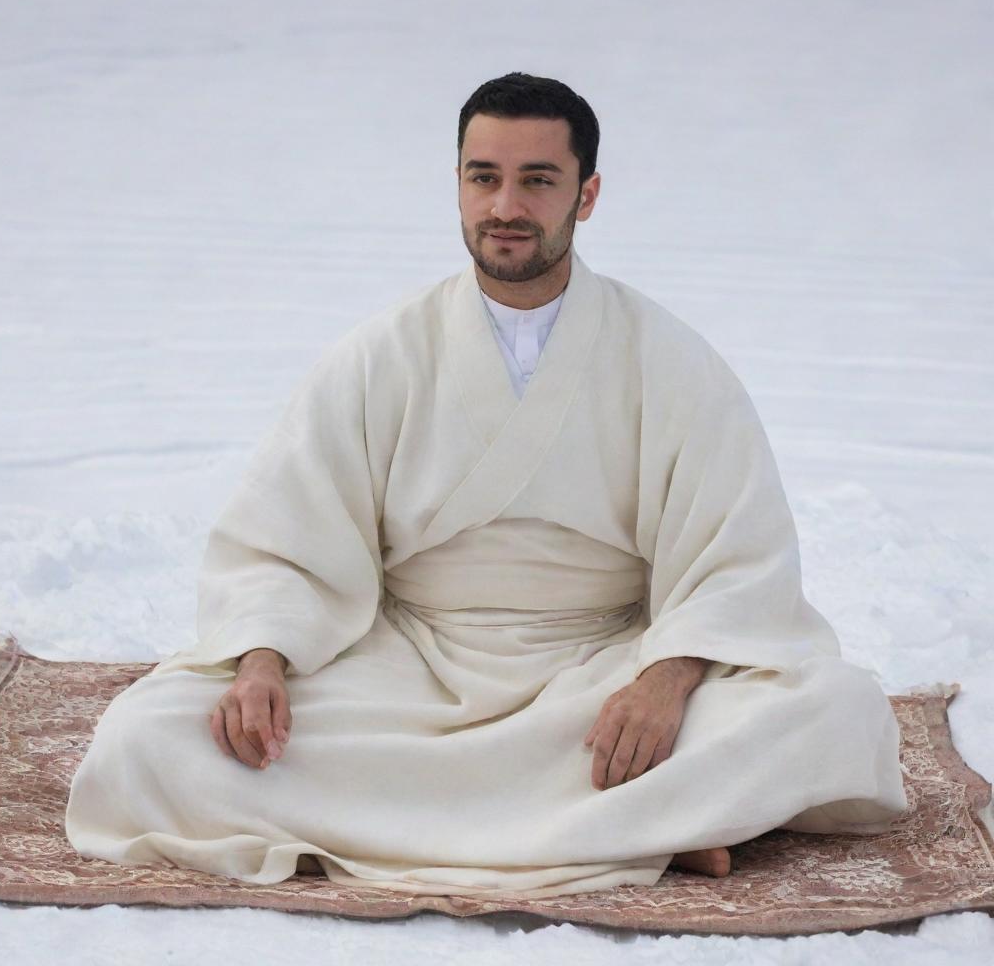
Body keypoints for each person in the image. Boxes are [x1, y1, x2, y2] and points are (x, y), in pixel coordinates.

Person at [64, 72, 908, 898]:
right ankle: (649, 825)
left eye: (538, 180)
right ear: (459, 187)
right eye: (484, 177)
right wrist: (259, 662)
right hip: (409, 669)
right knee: (147, 738)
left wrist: (666, 681)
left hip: (601, 672)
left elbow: (738, 558)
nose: (507, 206)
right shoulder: (380, 354)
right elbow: (288, 536)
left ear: (587, 194)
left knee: (840, 707)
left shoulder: (670, 359)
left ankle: (552, 818)